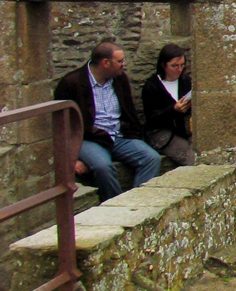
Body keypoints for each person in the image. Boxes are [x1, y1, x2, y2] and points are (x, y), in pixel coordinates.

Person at [54, 40, 161, 201]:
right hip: (90, 138)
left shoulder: (119, 79)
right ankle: (115, 205)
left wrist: (136, 135)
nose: (123, 64)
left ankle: (138, 203)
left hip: (118, 135)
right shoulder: (72, 83)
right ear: (105, 63)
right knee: (103, 167)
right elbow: (61, 125)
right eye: (119, 61)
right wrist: (72, 159)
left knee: (152, 158)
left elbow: (129, 112)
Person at [140, 43, 195, 167]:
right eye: (174, 66)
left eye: (182, 65)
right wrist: (173, 110)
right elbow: (152, 118)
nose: (179, 70)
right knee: (190, 157)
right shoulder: (152, 86)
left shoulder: (186, 81)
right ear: (163, 65)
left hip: (184, 128)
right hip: (161, 133)